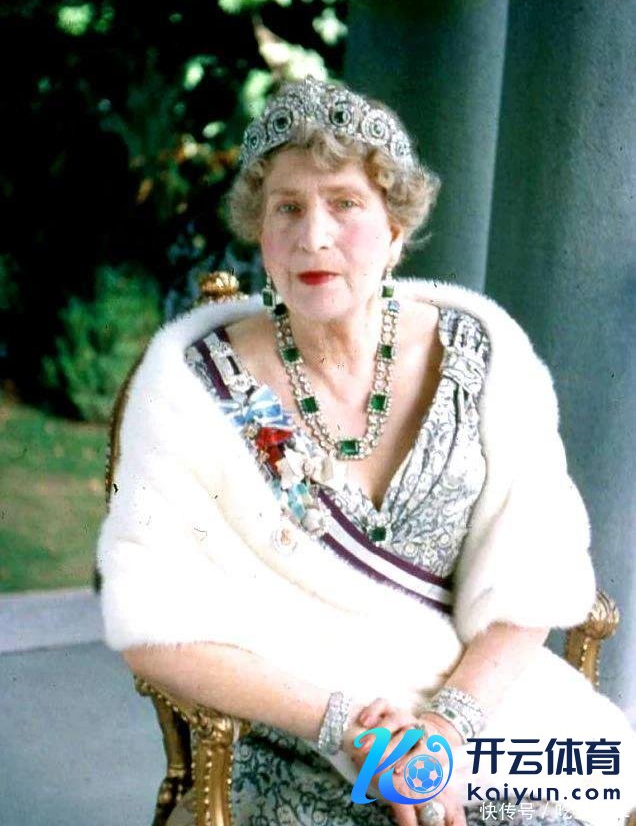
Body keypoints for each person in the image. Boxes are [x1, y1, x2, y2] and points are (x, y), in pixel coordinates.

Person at [97, 77, 635, 826]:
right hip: (294, 726)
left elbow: (532, 578)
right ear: (260, 230)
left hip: (479, 708)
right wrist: (348, 728)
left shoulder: (482, 358)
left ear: (395, 227)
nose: (313, 236)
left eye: (344, 203)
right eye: (287, 207)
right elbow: (155, 626)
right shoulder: (195, 389)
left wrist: (446, 728)